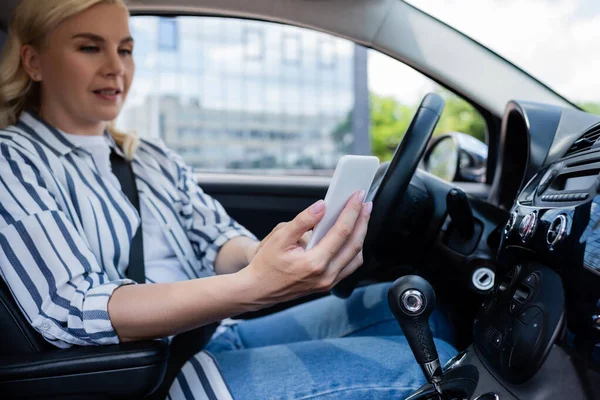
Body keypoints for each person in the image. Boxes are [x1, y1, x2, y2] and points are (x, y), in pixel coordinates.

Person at [0, 0, 457, 398]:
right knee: (425, 368)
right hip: (146, 378)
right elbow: (74, 308)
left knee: (410, 308)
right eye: (89, 47)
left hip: (214, 338)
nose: (116, 67)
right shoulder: (12, 160)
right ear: (34, 62)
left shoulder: (149, 155)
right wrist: (252, 287)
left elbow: (216, 239)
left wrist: (269, 254)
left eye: (125, 49)